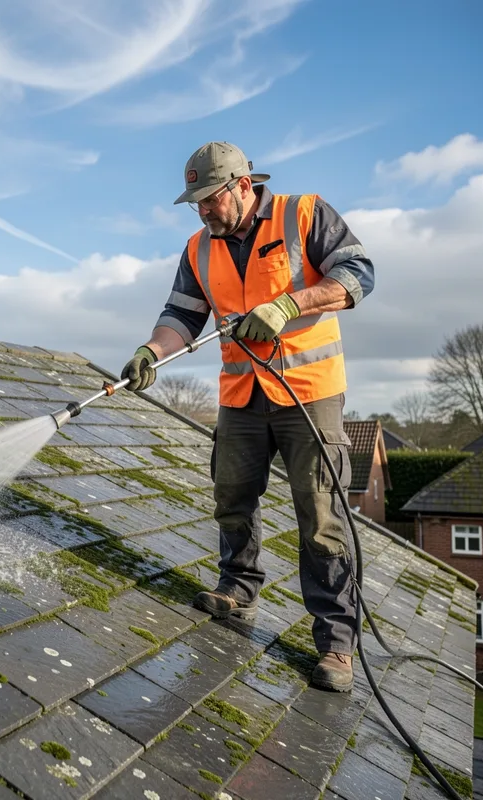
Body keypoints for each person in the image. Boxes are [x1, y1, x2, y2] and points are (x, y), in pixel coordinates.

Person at [121, 141, 374, 693]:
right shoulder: (198, 248)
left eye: (210, 198)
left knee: (321, 513)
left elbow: (358, 273)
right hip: (241, 393)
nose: (204, 210)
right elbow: (181, 316)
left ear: (242, 185)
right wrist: (151, 354)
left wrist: (290, 304)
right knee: (231, 492)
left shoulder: (302, 213)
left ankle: (335, 642)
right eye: (196, 203)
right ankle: (237, 590)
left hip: (309, 391)